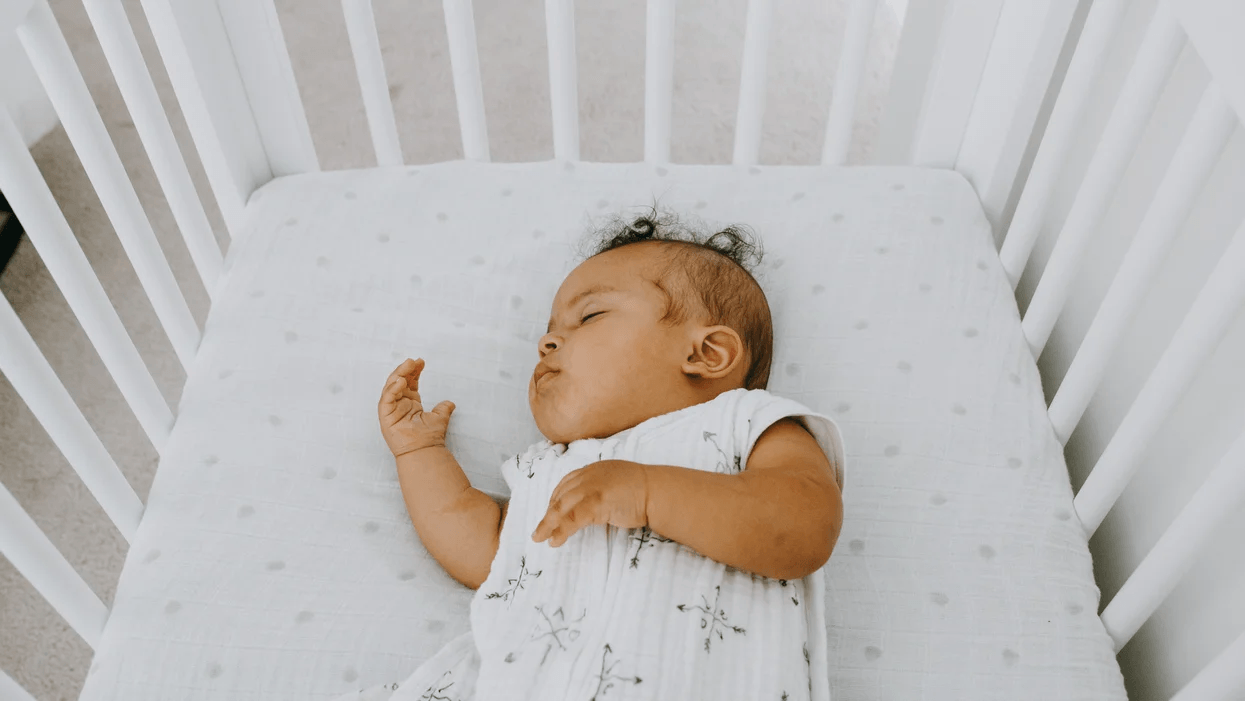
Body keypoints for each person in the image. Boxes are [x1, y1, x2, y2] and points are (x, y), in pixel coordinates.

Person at [369, 210, 846, 701]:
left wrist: (647, 492)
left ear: (707, 355)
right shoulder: (552, 466)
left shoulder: (744, 423)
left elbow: (805, 523)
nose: (546, 341)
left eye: (590, 316)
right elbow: (485, 551)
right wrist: (419, 451)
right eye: (549, 330)